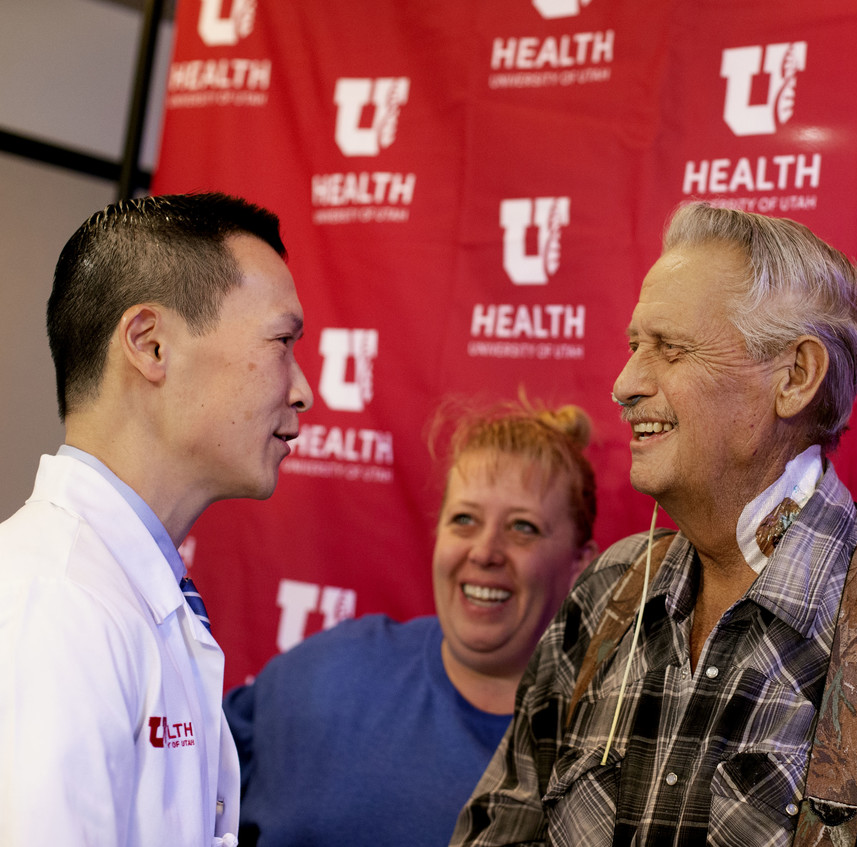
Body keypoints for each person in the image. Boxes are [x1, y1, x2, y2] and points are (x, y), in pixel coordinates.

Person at [453, 203, 857, 847]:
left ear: (795, 376)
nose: (624, 383)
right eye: (635, 346)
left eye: (670, 349)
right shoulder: (608, 591)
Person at [0, 193, 313, 846]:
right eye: (282, 341)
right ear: (151, 344)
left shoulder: (120, 592)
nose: (304, 389)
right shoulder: (53, 602)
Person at [224, 400, 599, 846]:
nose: (484, 551)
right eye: (464, 520)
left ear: (580, 565)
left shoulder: (603, 747)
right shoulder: (323, 676)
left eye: (523, 528)